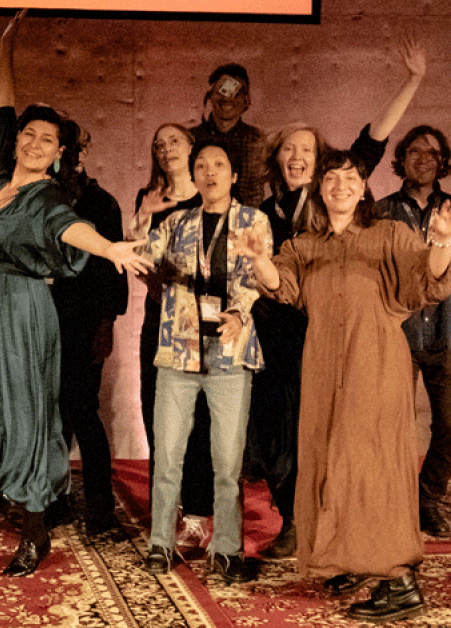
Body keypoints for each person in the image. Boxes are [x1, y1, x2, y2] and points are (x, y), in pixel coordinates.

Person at [239, 149, 451, 622]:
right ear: (319, 191)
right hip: (324, 368)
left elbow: (430, 279)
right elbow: (281, 285)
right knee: (331, 461)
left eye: (350, 178)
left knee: (374, 467)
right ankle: (352, 556)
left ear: (364, 189)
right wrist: (260, 258)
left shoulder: (390, 235)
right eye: (331, 179)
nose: (340, 185)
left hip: (376, 366)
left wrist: (442, 239)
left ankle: (399, 581)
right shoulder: (306, 245)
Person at [0, 10, 147, 577]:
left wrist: (109, 248)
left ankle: (35, 530)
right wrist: (6, 41)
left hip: (22, 310)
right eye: (30, 135)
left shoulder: (47, 197)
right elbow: (1, 104)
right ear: (17, 141)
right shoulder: (0, 178)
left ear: (60, 152)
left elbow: (70, 229)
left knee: (30, 416)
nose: (37, 143)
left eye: (48, 140)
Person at [250, 38, 427, 559]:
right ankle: (295, 518)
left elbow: (374, 138)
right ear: (276, 159)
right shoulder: (261, 211)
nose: (297, 157)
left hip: (335, 335)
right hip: (279, 336)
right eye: (289, 149)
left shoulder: (335, 193)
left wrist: (412, 80)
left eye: (307, 150)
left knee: (339, 438)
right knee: (279, 438)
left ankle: (341, 530)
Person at [139, 140, 270, 584]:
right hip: (179, 348)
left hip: (230, 350)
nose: (209, 172)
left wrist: (240, 312)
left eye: (218, 165)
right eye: (201, 166)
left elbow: (257, 277)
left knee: (227, 462)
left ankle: (227, 549)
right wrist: (144, 216)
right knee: (168, 455)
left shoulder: (253, 220)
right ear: (193, 176)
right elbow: (140, 256)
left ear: (234, 175)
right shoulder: (177, 221)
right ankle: (160, 542)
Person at [377, 126, 451, 539]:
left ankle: (427, 500)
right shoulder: (380, 214)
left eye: (432, 153)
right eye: (414, 152)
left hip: (448, 338)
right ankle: (392, 501)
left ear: (443, 162)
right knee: (388, 427)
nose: (423, 159)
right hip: (395, 340)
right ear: (401, 159)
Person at [129, 123, 214, 553]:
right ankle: (167, 508)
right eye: (159, 144)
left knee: (199, 419)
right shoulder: (149, 199)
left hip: (202, 322)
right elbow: (137, 260)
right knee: (157, 412)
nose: (166, 149)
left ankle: (198, 514)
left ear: (192, 147)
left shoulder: (212, 196)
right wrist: (143, 217)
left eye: (174, 141)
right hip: (160, 318)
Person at [50, 125, 129, 539]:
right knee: (49, 416)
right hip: (42, 322)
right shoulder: (40, 199)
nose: (71, 159)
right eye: (64, 151)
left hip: (85, 323)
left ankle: (100, 510)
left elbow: (114, 272)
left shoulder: (103, 203)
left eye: (76, 150)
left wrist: (107, 323)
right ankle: (52, 501)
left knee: (83, 412)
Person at [190, 63, 264, 206]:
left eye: (237, 93)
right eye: (221, 91)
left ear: (246, 100)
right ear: (210, 95)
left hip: (248, 217)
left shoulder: (259, 141)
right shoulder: (188, 139)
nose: (228, 99)